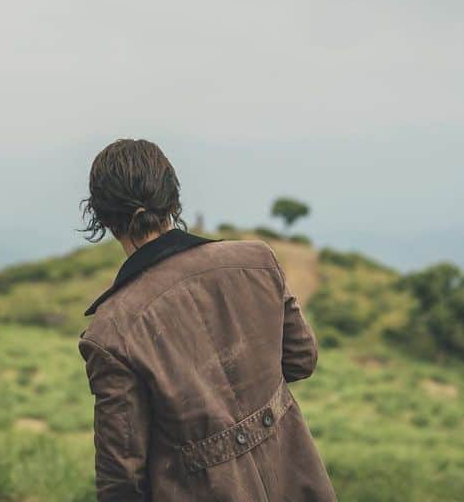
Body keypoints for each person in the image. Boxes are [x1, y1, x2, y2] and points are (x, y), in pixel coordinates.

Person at [78, 139, 336, 501]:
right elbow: (301, 360)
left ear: (101, 216)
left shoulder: (110, 331)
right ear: (173, 197)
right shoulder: (257, 261)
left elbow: (122, 477)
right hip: (298, 481)